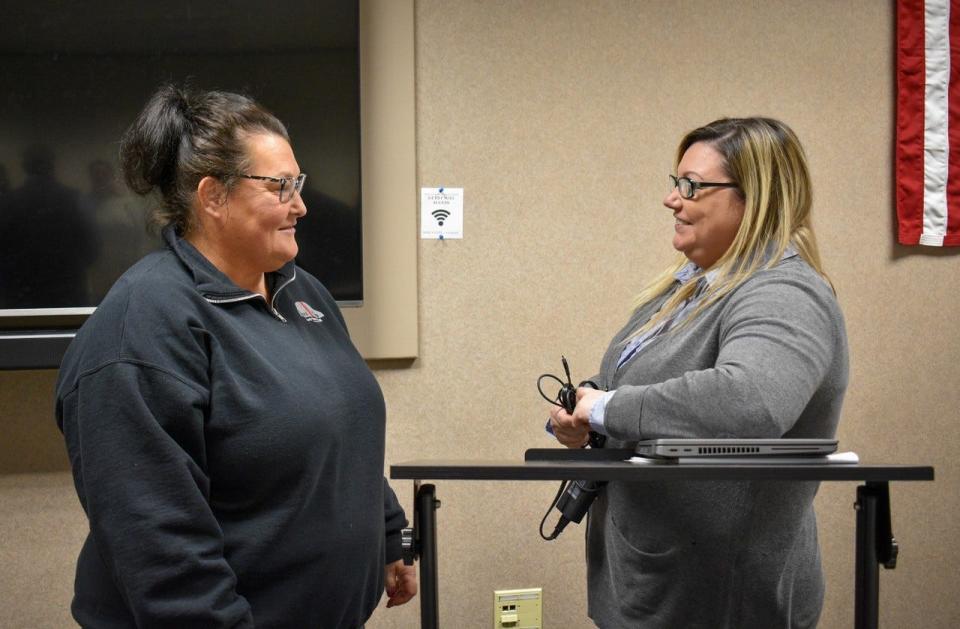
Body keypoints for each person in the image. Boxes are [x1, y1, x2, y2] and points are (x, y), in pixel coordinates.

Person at [55, 85, 416, 628]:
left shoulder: (302, 292)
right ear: (213, 196)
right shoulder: (142, 332)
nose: (302, 204)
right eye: (281, 187)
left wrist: (387, 536)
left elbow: (341, 426)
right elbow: (163, 552)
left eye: (299, 183)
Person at [548, 117, 848, 628]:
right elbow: (637, 391)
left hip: (720, 597)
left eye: (692, 186)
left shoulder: (783, 292)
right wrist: (586, 412)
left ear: (755, 198)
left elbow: (750, 399)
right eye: (675, 183)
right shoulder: (691, 285)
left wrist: (606, 408)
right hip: (655, 580)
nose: (673, 199)